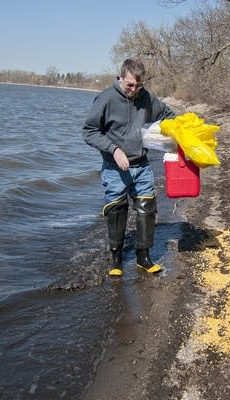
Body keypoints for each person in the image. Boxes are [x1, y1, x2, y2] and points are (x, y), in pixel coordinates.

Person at [82, 59, 176, 277]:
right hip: (114, 166)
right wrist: (114, 150)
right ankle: (116, 259)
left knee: (147, 207)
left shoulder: (146, 97)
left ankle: (143, 257)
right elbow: (89, 131)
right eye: (130, 85)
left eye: (138, 86)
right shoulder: (106, 98)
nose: (134, 90)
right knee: (116, 208)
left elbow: (168, 115)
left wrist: (165, 134)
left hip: (142, 164)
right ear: (121, 78)